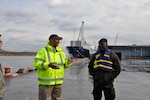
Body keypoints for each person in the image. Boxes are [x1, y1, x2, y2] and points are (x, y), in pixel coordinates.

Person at [33, 34, 73, 100]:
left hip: (58, 83)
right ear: (51, 40)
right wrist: (48, 65)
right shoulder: (43, 51)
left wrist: (68, 63)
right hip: (46, 83)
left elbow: (64, 65)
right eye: (56, 39)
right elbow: (36, 64)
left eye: (59, 40)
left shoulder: (61, 52)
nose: (58, 41)